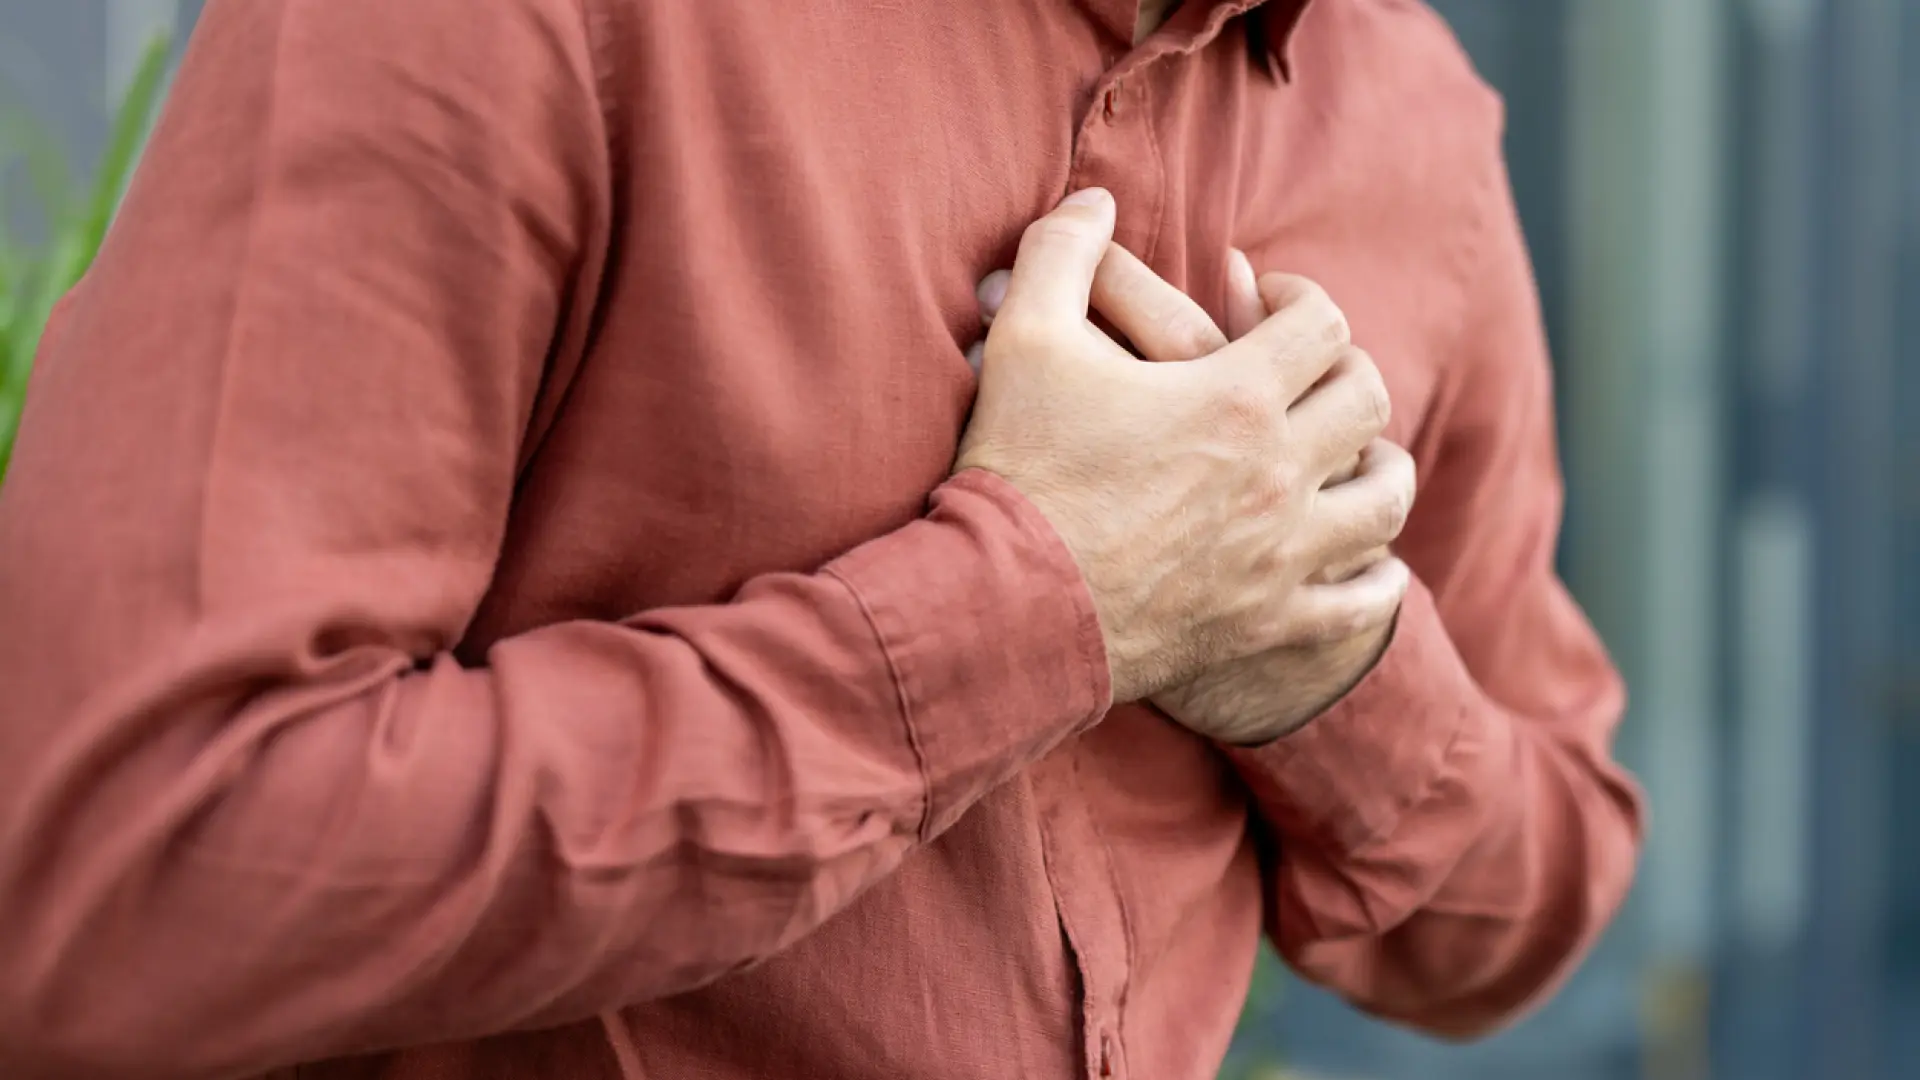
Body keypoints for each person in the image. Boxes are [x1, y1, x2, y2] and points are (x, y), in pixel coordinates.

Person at [0, 1, 1643, 1078]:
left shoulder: (1415, 121)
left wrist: (1324, 662)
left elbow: (1520, 904)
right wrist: (1045, 607)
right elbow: (125, 880)